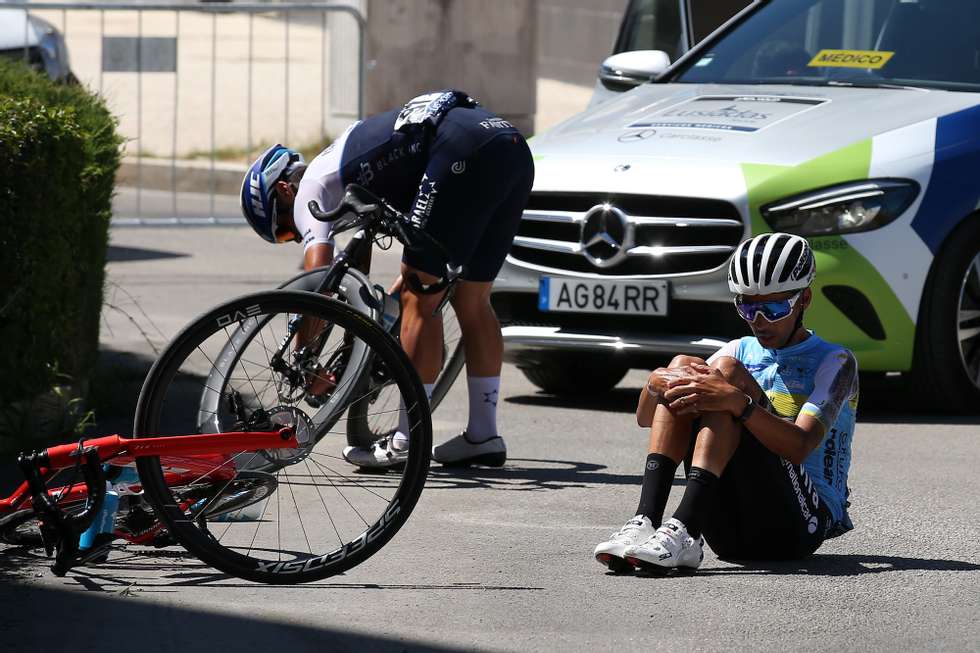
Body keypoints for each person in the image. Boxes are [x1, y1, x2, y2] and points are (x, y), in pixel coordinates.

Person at [239, 90, 534, 469]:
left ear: (283, 190)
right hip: (507, 145)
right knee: (471, 300)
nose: (295, 235)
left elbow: (316, 284)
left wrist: (304, 359)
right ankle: (483, 434)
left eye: (283, 230)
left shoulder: (310, 189)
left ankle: (406, 439)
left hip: (460, 148)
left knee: (420, 297)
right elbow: (353, 276)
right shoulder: (347, 170)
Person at [593, 232, 859, 574]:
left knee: (725, 379)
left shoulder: (835, 361)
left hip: (798, 527)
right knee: (683, 365)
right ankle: (650, 520)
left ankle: (686, 527)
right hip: (729, 530)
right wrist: (654, 385)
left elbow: (800, 446)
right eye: (748, 306)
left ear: (804, 299)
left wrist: (741, 404)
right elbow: (646, 418)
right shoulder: (739, 347)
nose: (759, 320)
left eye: (775, 307)